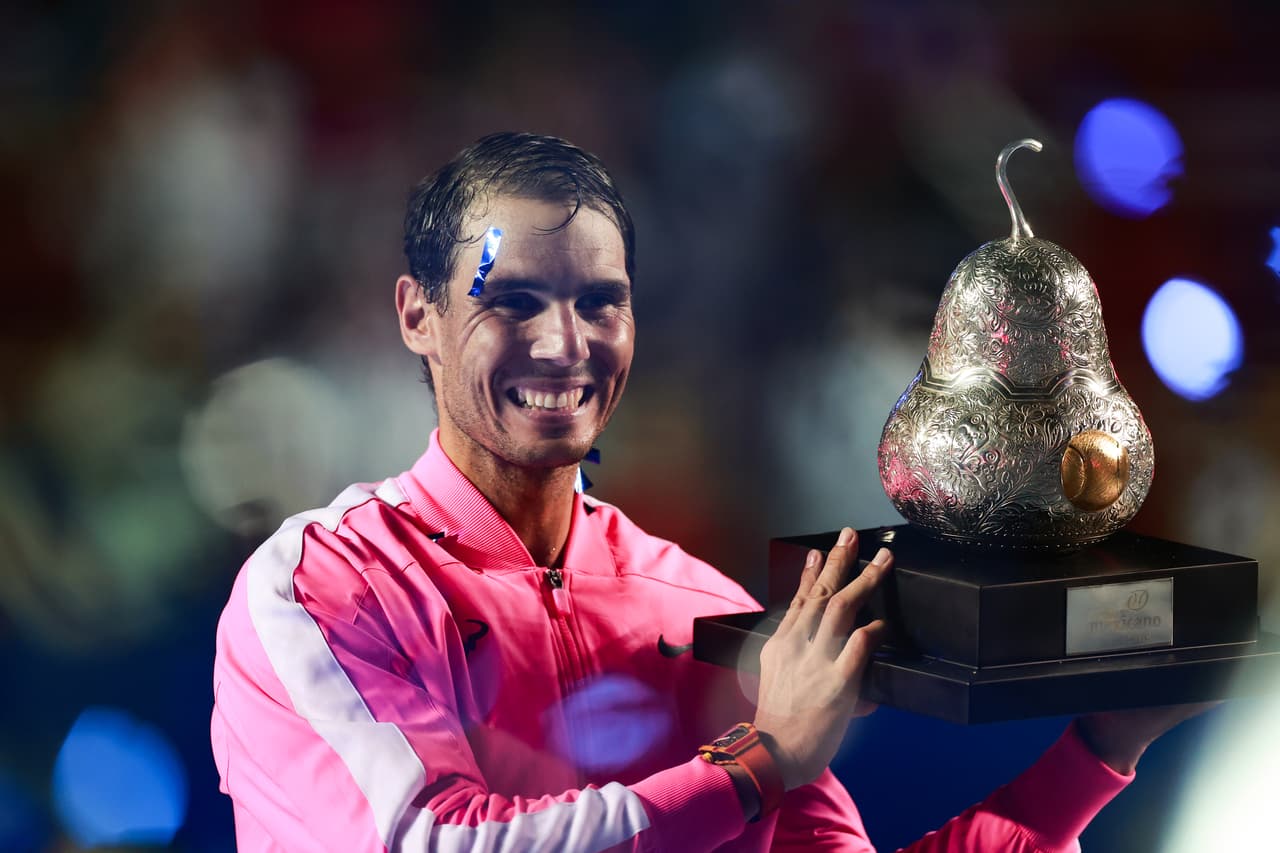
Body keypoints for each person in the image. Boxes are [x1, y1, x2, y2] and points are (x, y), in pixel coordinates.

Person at [211, 132, 1204, 851]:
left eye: (599, 300)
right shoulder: (321, 586)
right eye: (509, 298)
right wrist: (758, 758)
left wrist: (1093, 751)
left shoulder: (694, 606)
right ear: (417, 315)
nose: (564, 343)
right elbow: (433, 842)